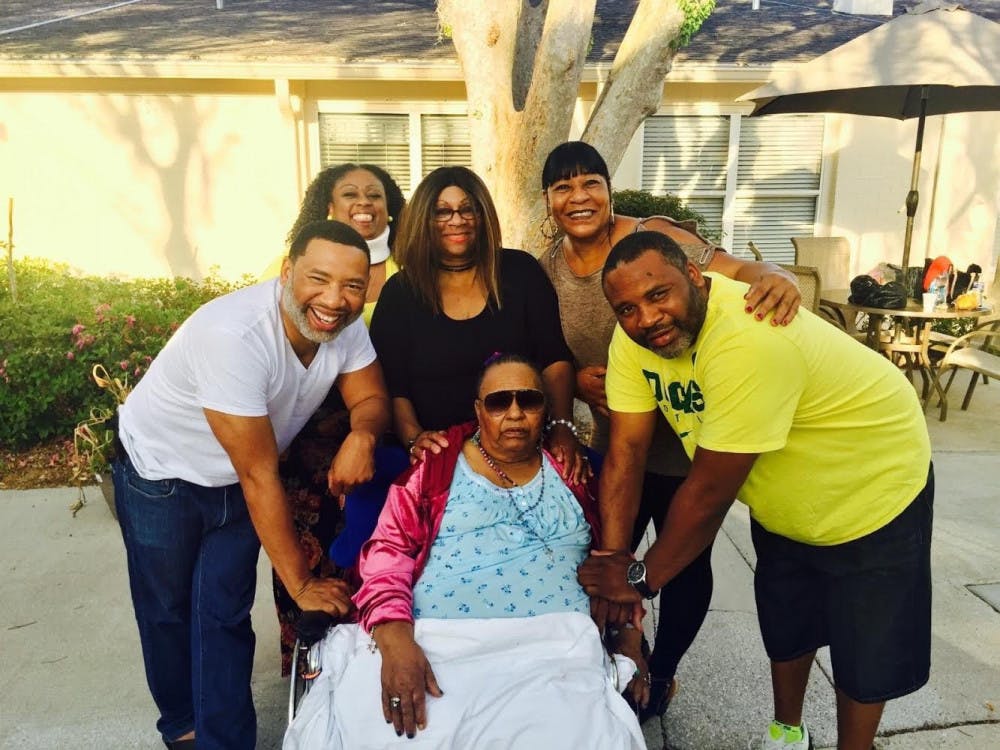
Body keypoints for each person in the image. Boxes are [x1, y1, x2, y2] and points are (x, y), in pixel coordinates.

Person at [578, 231, 933, 750]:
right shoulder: (633, 343)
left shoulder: (748, 335)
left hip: (873, 489)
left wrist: (636, 581)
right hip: (787, 502)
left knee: (865, 650)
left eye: (659, 295)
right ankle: (787, 734)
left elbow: (707, 495)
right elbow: (626, 456)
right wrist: (613, 555)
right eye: (627, 308)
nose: (647, 318)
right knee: (788, 623)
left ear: (696, 278)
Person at [539, 140, 803, 721]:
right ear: (548, 201)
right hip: (618, 435)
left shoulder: (656, 238)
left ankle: (663, 672)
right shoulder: (546, 270)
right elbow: (545, 353)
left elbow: (733, 271)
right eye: (563, 187)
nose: (578, 197)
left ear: (610, 190)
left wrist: (776, 272)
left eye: (591, 184)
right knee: (608, 550)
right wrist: (577, 387)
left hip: (690, 432)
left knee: (684, 560)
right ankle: (623, 650)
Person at [113, 219, 391, 750]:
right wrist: (303, 584)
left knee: (223, 613)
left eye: (353, 285)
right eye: (318, 278)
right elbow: (260, 475)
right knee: (167, 611)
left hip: (237, 484)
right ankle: (180, 725)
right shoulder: (234, 335)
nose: (335, 298)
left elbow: (371, 397)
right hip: (161, 475)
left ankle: (224, 741)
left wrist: (362, 434)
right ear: (287, 273)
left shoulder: (343, 324)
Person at [284, 355, 646, 749]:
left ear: (546, 410)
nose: (514, 413)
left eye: (529, 400)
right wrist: (394, 639)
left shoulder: (577, 474)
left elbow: (613, 562)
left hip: (556, 653)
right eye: (498, 402)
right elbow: (387, 553)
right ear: (478, 411)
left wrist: (629, 638)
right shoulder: (434, 471)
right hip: (433, 642)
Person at [268, 164, 406, 675]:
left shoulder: (408, 270)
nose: (363, 201)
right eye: (349, 193)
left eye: (376, 194)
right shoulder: (295, 270)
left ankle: (368, 654)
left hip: (380, 427)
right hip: (307, 438)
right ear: (328, 206)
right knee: (307, 546)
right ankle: (308, 661)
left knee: (375, 545)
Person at [370, 165, 586, 480]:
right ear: (423, 220)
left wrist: (562, 428)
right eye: (442, 212)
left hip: (522, 446)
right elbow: (393, 384)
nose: (456, 220)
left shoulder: (520, 272)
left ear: (483, 215)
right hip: (437, 451)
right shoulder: (401, 292)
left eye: (467, 209)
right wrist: (414, 437)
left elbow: (554, 359)